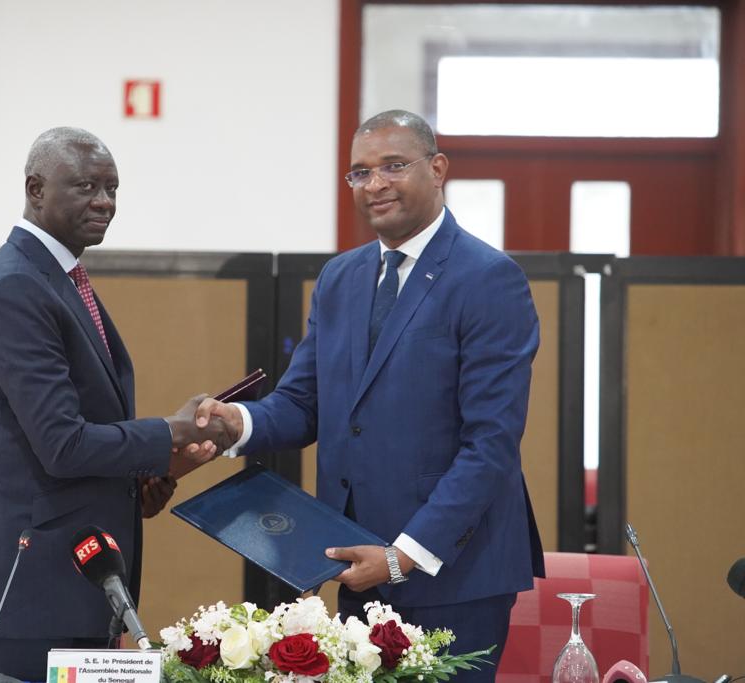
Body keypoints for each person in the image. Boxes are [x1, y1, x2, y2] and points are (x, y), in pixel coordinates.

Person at [195, 110, 544, 681]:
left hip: (450, 572)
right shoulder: (341, 278)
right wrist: (235, 421)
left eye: (393, 166)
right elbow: (304, 403)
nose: (375, 184)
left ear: (437, 169)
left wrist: (402, 556)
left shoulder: (488, 278)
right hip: (354, 561)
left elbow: (492, 443)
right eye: (360, 172)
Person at [0, 127, 230, 681]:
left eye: (113, 188)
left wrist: (143, 476)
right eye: (87, 186)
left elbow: (81, 431)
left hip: (80, 574)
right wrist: (169, 432)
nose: (105, 202)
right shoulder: (17, 287)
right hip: (25, 582)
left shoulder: (59, 276)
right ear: (35, 188)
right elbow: (62, 445)